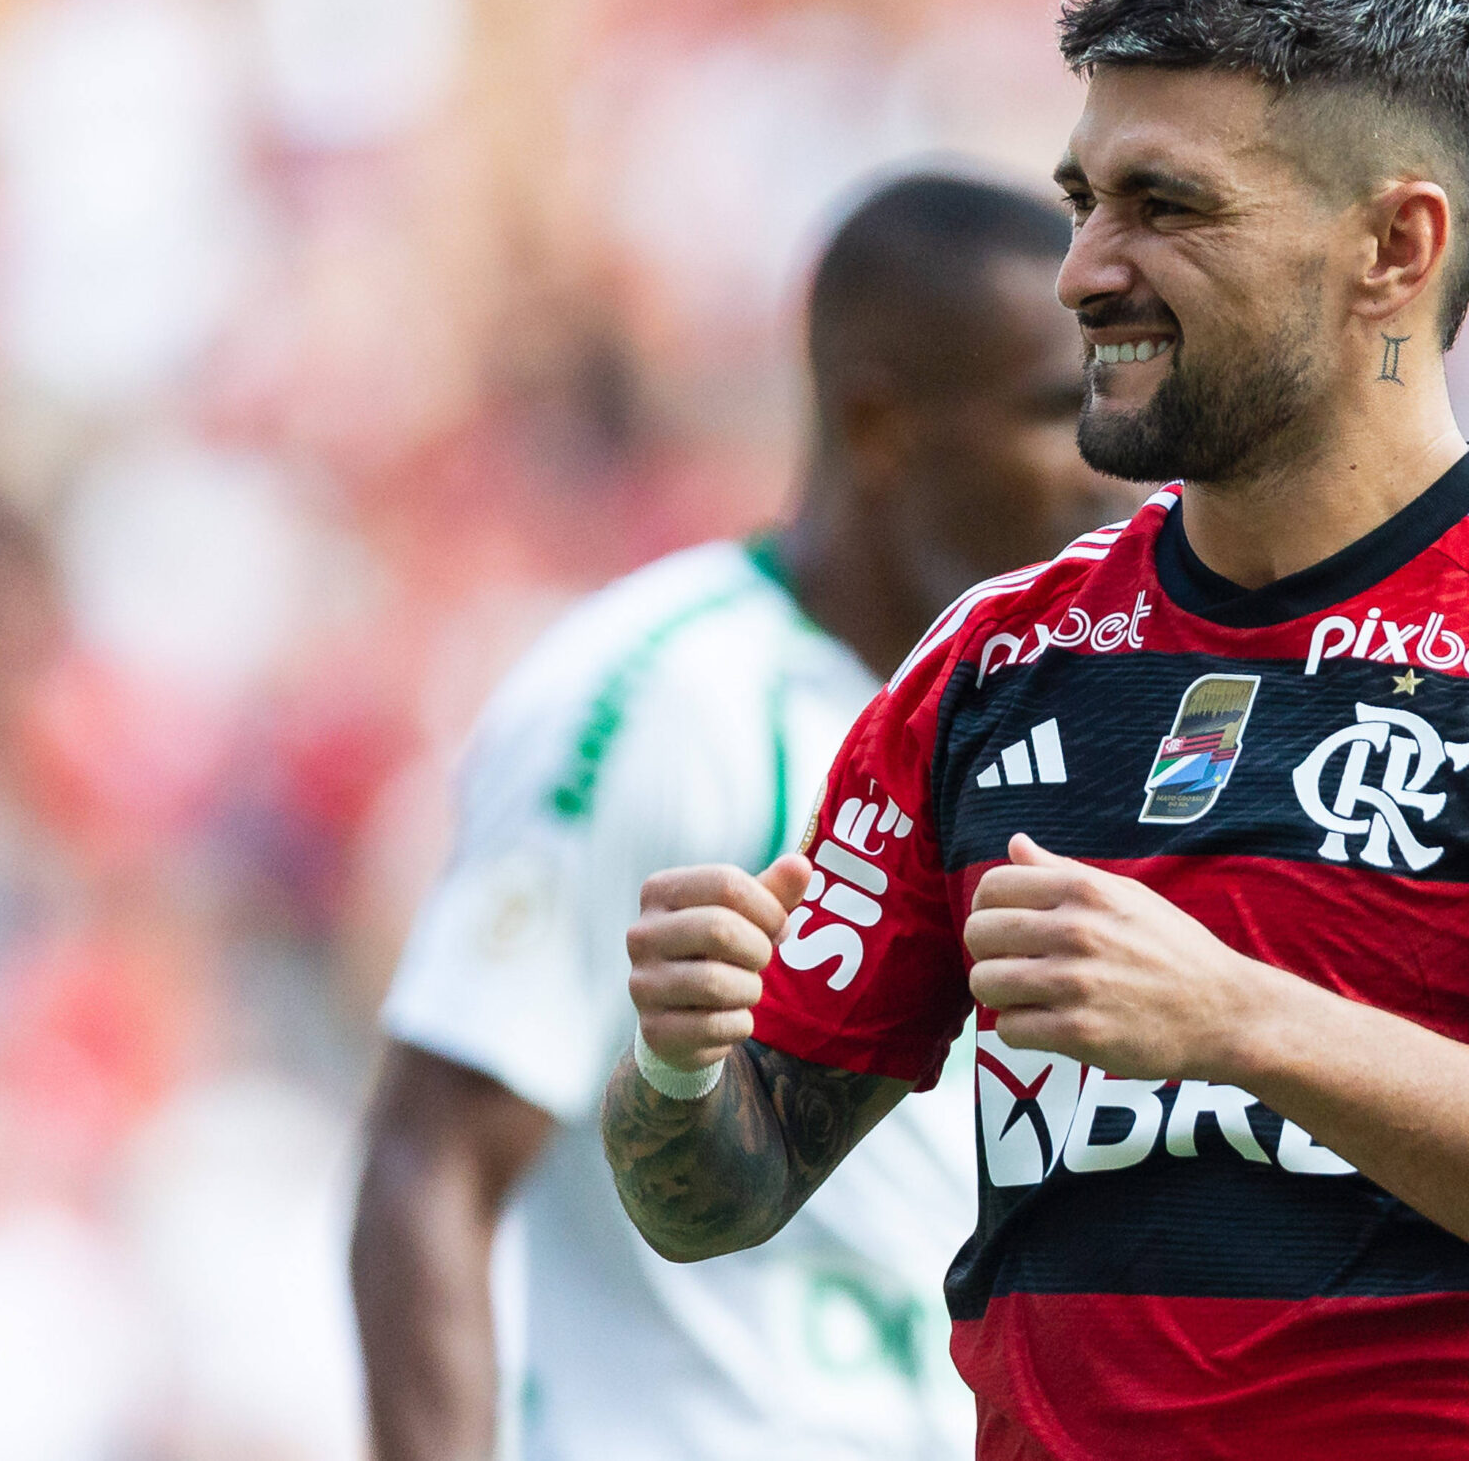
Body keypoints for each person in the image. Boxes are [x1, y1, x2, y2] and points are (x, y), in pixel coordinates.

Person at [605, 0, 1469, 1458]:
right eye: (1083, 200)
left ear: (1395, 249)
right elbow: (723, 1188)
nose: (1083, 271)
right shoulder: (995, 662)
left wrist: (1241, 1019)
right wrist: (678, 1056)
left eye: (1164, 206)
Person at [352, 171, 1132, 1461]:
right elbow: (428, 1166)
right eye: (1058, 411)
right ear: (878, 423)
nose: (1110, 465)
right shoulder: (660, 695)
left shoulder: (1057, 704)